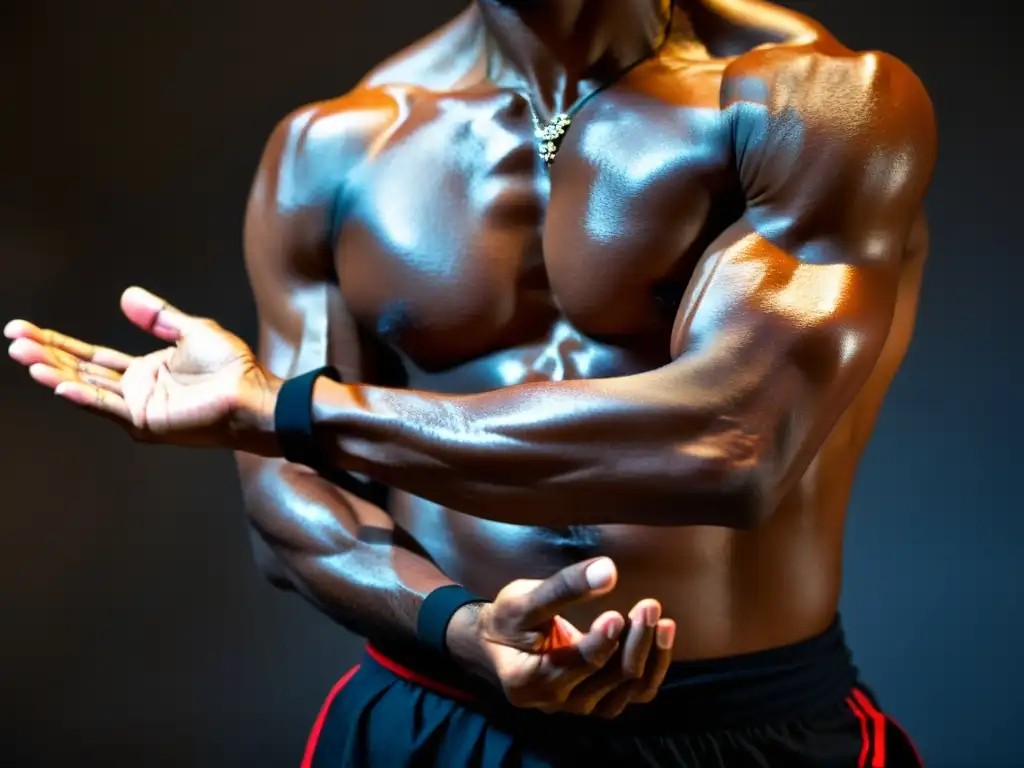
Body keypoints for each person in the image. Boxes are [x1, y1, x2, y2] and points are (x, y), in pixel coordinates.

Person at [6, 0, 935, 765]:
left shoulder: (815, 97)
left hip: (742, 728)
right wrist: (455, 627)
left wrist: (285, 410)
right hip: (434, 711)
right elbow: (288, 504)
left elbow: (733, 445)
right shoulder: (334, 147)